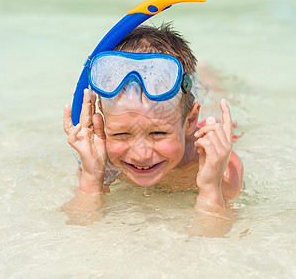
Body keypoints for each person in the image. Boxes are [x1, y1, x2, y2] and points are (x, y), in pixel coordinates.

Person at [61, 24, 243, 236]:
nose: (141, 154)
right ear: (102, 123)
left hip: (202, 133)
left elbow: (213, 240)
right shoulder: (99, 158)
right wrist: (92, 177)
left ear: (191, 120)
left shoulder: (221, 165)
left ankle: (208, 77)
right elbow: (78, 232)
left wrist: (211, 187)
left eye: (157, 133)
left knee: (218, 98)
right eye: (121, 134)